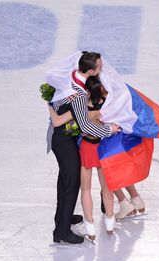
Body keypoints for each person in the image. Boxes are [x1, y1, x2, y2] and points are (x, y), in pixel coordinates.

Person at [46, 51, 121, 245]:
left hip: (62, 137)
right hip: (63, 140)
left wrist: (54, 112)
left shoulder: (70, 75)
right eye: (99, 66)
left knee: (66, 179)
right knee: (72, 183)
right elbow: (86, 126)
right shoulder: (79, 94)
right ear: (91, 71)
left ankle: (63, 217)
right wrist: (109, 129)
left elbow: (48, 91)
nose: (102, 68)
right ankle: (61, 231)